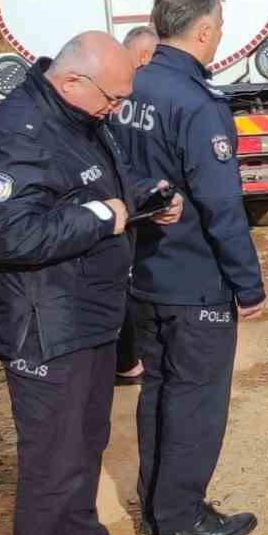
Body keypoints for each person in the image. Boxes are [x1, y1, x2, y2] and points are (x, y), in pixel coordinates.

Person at [0, 31, 183, 535]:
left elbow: (102, 185)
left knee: (86, 442)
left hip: (88, 313)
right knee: (53, 456)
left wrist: (147, 197)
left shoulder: (80, 116)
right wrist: (100, 219)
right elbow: (12, 233)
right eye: (113, 100)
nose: (117, 111)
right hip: (44, 323)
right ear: (72, 81)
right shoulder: (19, 134)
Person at [114, 0, 265, 535]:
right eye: (219, 28)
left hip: (144, 273)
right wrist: (247, 286)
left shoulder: (130, 88)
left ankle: (157, 508)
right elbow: (222, 205)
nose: (219, 36)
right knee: (196, 398)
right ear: (203, 32)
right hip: (194, 280)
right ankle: (181, 518)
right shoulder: (197, 104)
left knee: (157, 390)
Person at [115, 25, 158, 386]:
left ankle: (126, 359)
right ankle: (129, 360)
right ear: (144, 55)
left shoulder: (110, 93)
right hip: (131, 202)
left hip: (120, 200)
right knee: (127, 281)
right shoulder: (145, 92)